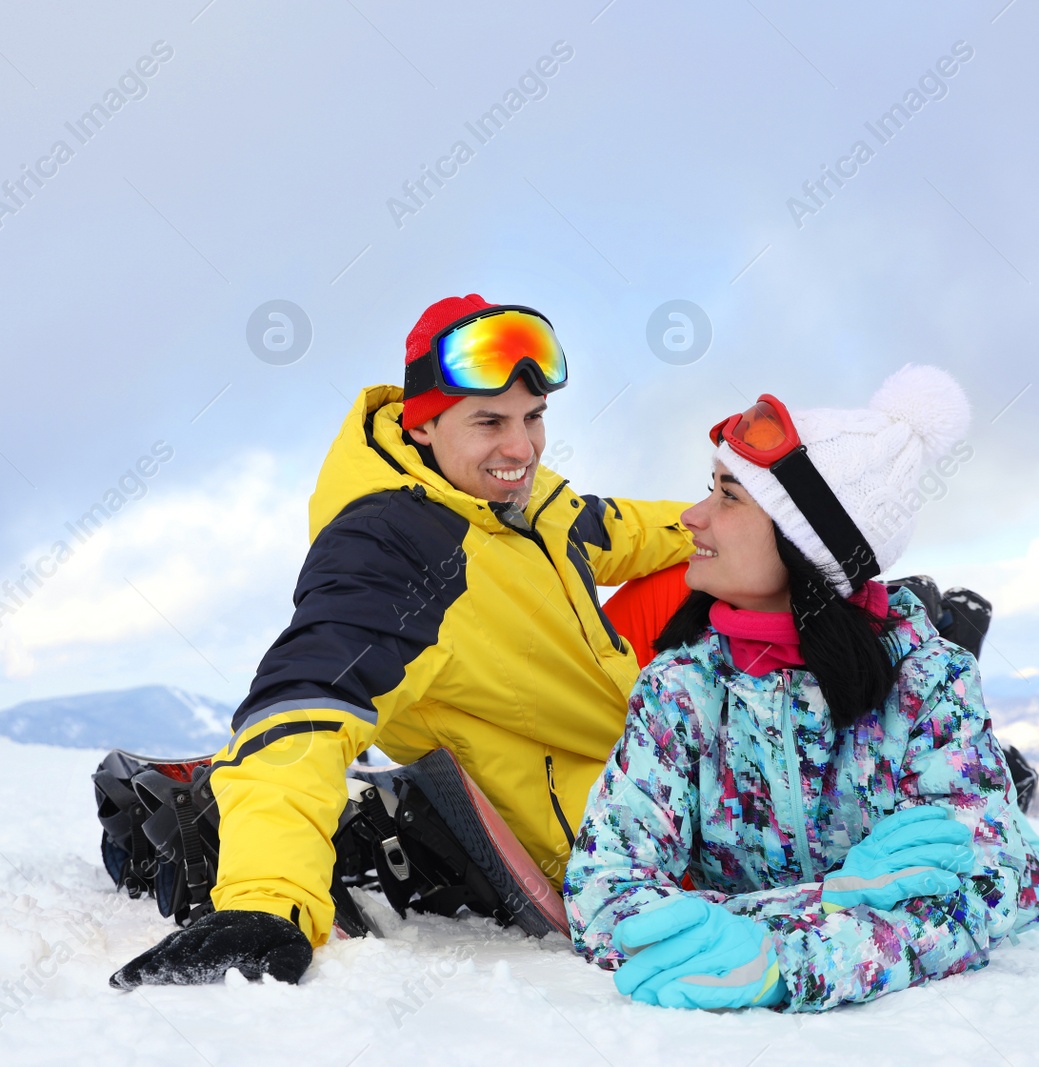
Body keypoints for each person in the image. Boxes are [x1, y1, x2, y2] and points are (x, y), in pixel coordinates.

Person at [109, 295, 695, 988]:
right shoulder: (394, 547)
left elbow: (633, 529)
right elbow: (304, 702)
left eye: (533, 418)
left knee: (723, 561)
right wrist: (263, 901)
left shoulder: (525, 500)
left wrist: (758, 514)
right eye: (490, 422)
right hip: (594, 827)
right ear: (424, 427)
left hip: (607, 731)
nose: (522, 447)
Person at [563, 364, 1039, 1012]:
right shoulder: (679, 692)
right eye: (708, 488)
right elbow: (602, 895)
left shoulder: (929, 684)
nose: (692, 516)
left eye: (729, 495)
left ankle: (1006, 768)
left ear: (806, 542)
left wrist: (785, 962)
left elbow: (1001, 885)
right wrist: (834, 900)